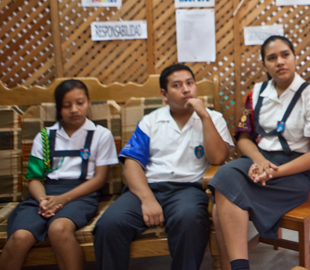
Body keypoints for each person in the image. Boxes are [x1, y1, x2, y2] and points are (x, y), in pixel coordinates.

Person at [209, 36, 310, 270]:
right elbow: (244, 139)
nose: (280, 62)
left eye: (285, 55)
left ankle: (234, 267)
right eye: (272, 58)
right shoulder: (256, 93)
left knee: (221, 202)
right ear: (264, 64)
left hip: (295, 171)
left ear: (295, 57)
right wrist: (260, 161)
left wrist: (274, 172)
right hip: (258, 162)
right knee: (225, 175)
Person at [94, 64, 233, 270]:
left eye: (190, 83)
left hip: (189, 189)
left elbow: (217, 158)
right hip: (149, 188)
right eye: (177, 85)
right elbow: (131, 164)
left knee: (189, 221)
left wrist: (204, 116)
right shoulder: (151, 121)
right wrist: (148, 199)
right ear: (164, 94)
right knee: (109, 225)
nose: (186, 89)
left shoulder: (213, 118)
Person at [0, 80, 118, 270]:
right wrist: (43, 201)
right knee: (20, 237)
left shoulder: (100, 135)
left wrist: (62, 199)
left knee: (58, 229)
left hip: (81, 195)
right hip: (44, 194)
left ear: (88, 102)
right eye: (66, 105)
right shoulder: (45, 137)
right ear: (59, 108)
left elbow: (99, 179)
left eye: (80, 103)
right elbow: (34, 178)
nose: (74, 110)